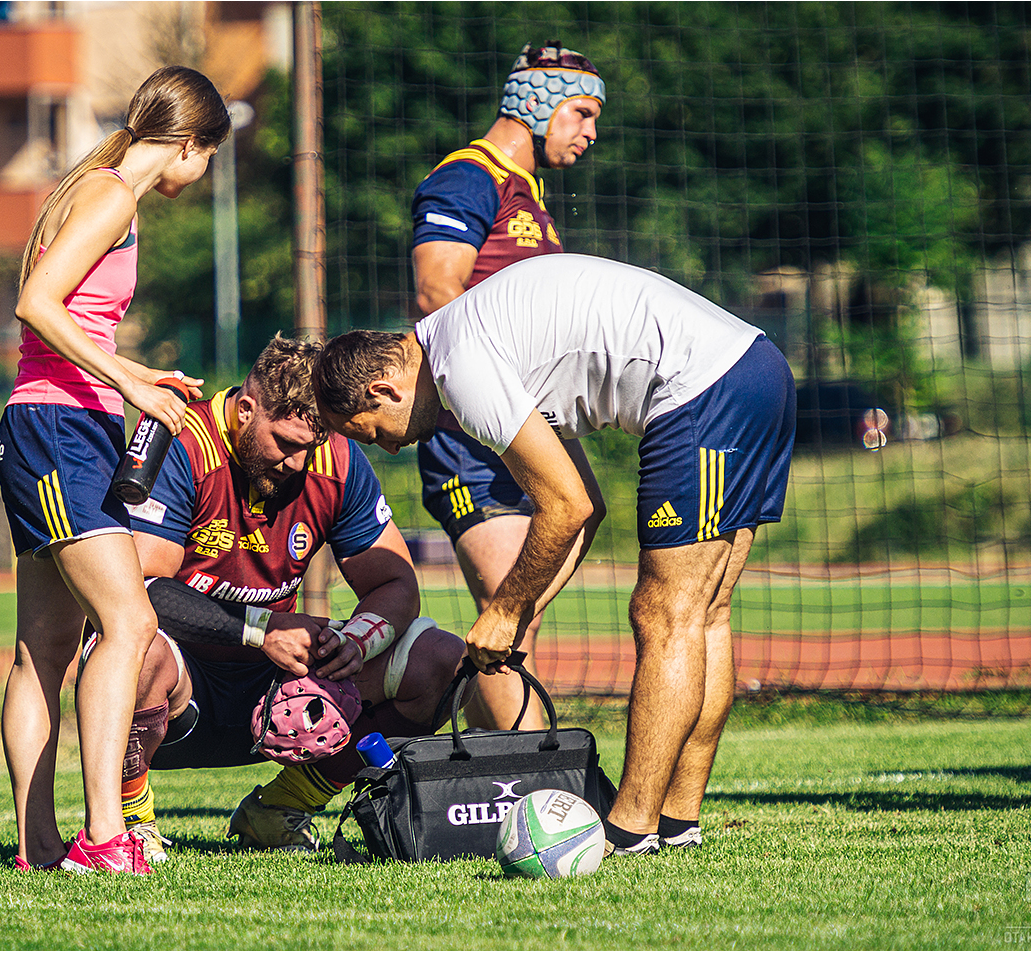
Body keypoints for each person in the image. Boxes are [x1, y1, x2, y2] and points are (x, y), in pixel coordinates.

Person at [313, 254, 797, 856]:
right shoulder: (477, 340)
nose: (383, 448)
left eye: (367, 430)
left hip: (703, 391)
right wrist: (525, 610)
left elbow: (562, 508)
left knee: (663, 614)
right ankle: (677, 821)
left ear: (382, 389)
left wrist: (505, 609)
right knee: (704, 614)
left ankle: (629, 829)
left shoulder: (462, 370)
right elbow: (586, 506)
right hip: (755, 369)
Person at [99, 335, 467, 859]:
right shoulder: (184, 442)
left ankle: (281, 809)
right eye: (285, 443)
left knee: (438, 659)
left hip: (278, 682)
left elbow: (395, 585)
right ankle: (132, 821)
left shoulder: (335, 457)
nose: (297, 462)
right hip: (182, 682)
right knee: (134, 649)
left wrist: (356, 643)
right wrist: (261, 629)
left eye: (308, 447)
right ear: (246, 410)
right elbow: (139, 590)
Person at [0, 65, 230, 874]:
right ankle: (102, 837)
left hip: (54, 424)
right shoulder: (111, 195)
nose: (201, 179)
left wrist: (132, 373)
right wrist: (127, 380)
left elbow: (70, 314)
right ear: (192, 144)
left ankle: (40, 845)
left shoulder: (90, 186)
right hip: (59, 429)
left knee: (44, 651)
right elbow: (37, 304)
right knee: (128, 626)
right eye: (209, 160)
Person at [410, 42, 604, 731]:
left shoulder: (532, 193)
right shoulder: (468, 176)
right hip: (474, 432)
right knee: (506, 608)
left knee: (527, 601)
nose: (588, 134)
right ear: (536, 102)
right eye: (580, 113)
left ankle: (456, 710)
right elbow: (436, 288)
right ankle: (527, 774)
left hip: (529, 424)